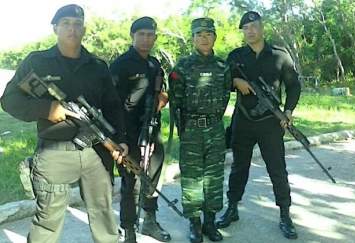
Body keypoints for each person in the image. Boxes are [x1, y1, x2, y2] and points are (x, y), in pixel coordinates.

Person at [0, 4, 128, 243]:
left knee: (103, 215)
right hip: (54, 152)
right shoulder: (37, 62)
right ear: (55, 28)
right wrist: (47, 108)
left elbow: (112, 105)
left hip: (96, 152)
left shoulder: (97, 66)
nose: (72, 28)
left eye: (77, 24)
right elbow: (9, 100)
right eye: (66, 23)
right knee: (48, 220)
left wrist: (120, 139)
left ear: (84, 29)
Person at [215, 11, 302, 240]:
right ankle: (232, 207)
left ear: (262, 28)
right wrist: (235, 80)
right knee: (238, 167)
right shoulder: (235, 56)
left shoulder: (280, 55)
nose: (250, 30)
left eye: (254, 26)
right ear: (243, 31)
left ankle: (285, 214)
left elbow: (294, 86)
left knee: (277, 169)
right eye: (246, 28)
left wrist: (288, 111)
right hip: (243, 121)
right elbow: (221, 80)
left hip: (271, 124)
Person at [168, 18, 231, 243]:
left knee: (214, 176)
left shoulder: (223, 67)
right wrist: (185, 128)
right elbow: (175, 101)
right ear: (193, 39)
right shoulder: (182, 67)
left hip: (215, 128)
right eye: (199, 35)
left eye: (208, 34)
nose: (204, 38)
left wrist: (212, 117)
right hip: (191, 129)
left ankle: (210, 222)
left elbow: (225, 96)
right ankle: (195, 223)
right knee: (192, 178)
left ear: (214, 37)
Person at [110, 17, 171, 243]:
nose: (146, 39)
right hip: (128, 135)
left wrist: (163, 98)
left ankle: (150, 221)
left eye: (150, 35)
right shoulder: (120, 64)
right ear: (132, 36)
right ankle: (128, 230)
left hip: (152, 131)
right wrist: (120, 137)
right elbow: (111, 102)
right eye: (141, 34)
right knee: (130, 183)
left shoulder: (155, 64)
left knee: (152, 179)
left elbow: (160, 93)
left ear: (154, 37)